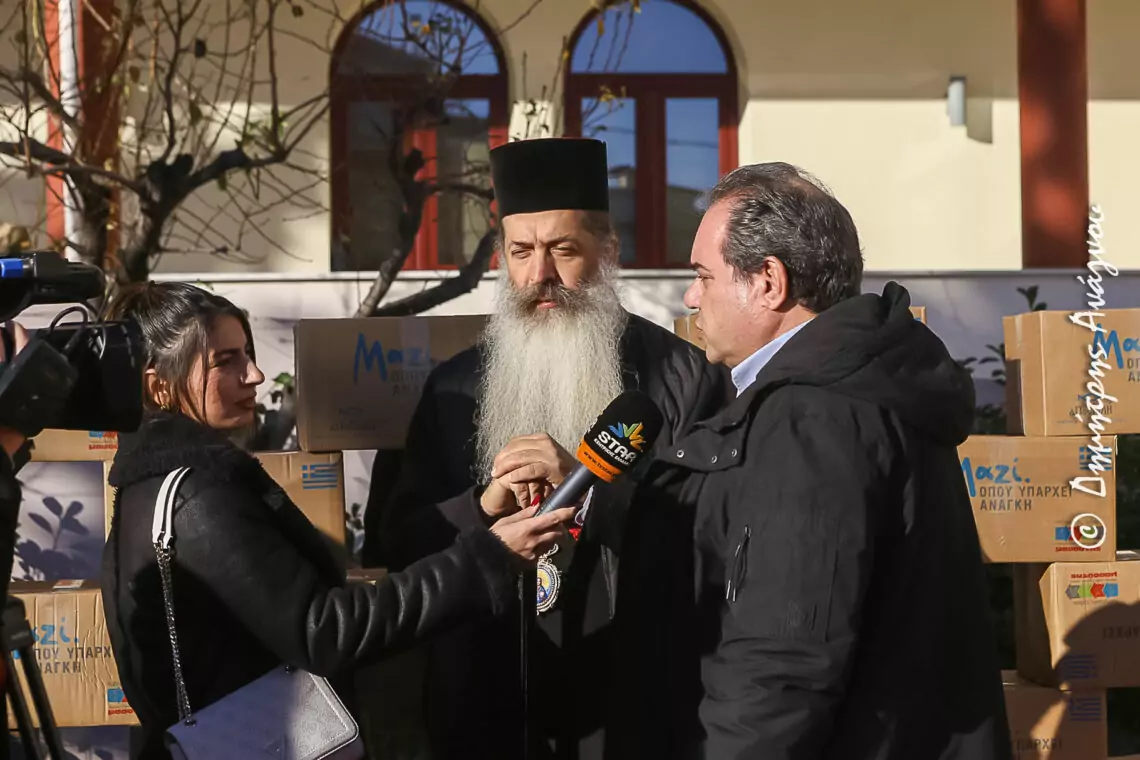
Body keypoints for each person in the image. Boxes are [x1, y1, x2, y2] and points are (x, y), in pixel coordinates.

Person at [363, 137, 730, 759]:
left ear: (606, 252)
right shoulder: (455, 387)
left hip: (630, 704)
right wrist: (482, 505)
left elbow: (718, 537)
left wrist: (590, 492)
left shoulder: (681, 378)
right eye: (521, 252)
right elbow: (396, 546)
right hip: (484, 707)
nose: (540, 276)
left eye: (562, 249)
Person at [100, 282, 576, 760]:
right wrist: (490, 556)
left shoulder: (157, 484)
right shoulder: (199, 497)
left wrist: (481, 507)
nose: (255, 374)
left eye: (248, 353)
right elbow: (324, 630)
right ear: (158, 385)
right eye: (226, 361)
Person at [652, 162, 1010, 758]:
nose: (691, 297)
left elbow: (784, 659)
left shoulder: (812, 415)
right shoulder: (862, 384)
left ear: (769, 282)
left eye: (703, 276)